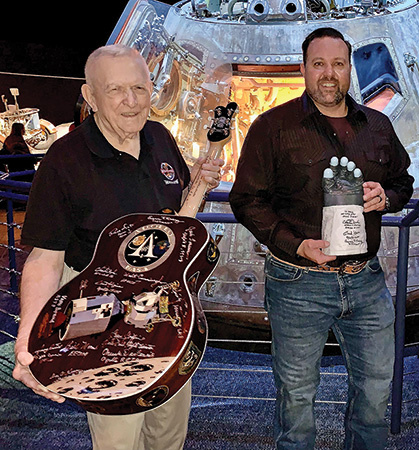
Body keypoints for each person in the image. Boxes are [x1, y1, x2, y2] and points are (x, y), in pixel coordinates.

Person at [12, 44, 223, 450]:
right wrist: (29, 339)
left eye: (140, 89)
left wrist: (198, 185)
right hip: (96, 303)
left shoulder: (160, 138)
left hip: (164, 302)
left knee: (169, 422)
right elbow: (45, 258)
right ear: (90, 97)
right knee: (117, 433)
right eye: (116, 91)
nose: (131, 102)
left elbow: (173, 226)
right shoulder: (64, 160)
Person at [230, 27, 414, 450]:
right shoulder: (272, 127)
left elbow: (403, 182)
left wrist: (386, 196)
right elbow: (246, 200)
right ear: (303, 70)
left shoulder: (378, 126)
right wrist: (296, 244)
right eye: (318, 64)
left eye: (337, 63)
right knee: (296, 402)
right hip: (298, 283)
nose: (328, 74)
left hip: (366, 282)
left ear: (349, 68)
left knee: (375, 393)